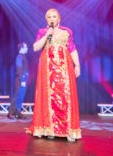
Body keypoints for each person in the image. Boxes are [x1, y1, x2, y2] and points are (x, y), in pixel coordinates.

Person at [26, 8, 81, 142]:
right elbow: (35, 48)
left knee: (65, 96)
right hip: (48, 68)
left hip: (64, 68)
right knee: (49, 96)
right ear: (46, 20)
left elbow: (72, 49)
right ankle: (49, 128)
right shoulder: (43, 32)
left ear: (59, 19)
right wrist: (47, 35)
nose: (52, 19)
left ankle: (68, 130)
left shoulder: (66, 32)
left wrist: (77, 65)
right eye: (49, 17)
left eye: (54, 16)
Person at [8, 42, 29, 119]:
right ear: (22, 48)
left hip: (23, 79)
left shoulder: (23, 56)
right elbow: (19, 69)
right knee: (16, 96)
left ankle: (17, 112)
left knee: (21, 96)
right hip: (20, 80)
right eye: (26, 47)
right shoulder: (19, 57)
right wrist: (22, 80)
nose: (27, 48)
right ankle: (11, 113)